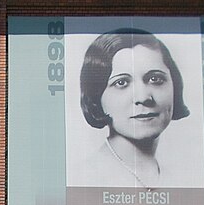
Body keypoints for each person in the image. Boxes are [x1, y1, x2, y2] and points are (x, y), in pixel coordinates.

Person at [77, 29, 190, 189]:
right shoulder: (83, 178)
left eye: (155, 79)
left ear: (175, 87)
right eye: (121, 83)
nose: (143, 97)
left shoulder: (184, 179)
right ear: (96, 98)